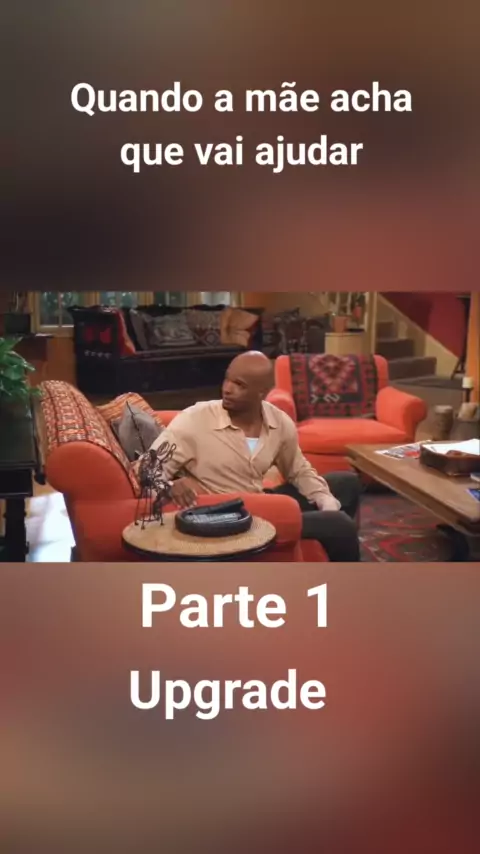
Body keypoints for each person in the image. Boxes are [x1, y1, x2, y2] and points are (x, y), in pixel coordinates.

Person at [146, 351, 361, 561]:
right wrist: (169, 485)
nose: (227, 389)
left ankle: (323, 557)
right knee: (340, 526)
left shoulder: (279, 422)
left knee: (346, 483)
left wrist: (324, 499)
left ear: (262, 392)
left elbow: (297, 470)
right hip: (230, 517)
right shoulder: (195, 419)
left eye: (239, 385)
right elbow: (146, 469)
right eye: (227, 379)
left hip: (260, 499)